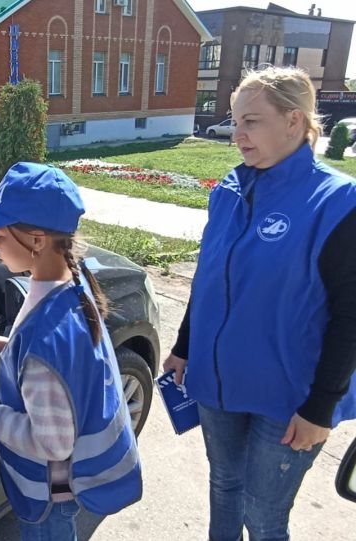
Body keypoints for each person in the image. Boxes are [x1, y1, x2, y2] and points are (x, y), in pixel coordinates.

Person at [163, 66, 356, 541]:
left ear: (294, 122)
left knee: (264, 514)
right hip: (216, 383)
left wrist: (320, 409)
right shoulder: (229, 190)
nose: (236, 135)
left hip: (289, 398)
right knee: (224, 485)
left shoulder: (337, 202)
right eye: (234, 121)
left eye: (251, 121)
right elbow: (209, 278)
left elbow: (352, 316)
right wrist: (185, 345)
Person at [0, 162, 142, 540]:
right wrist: (11, 349)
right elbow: (63, 365)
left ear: (36, 240)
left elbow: (50, 443)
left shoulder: (45, 343)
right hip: (61, 487)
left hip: (48, 500)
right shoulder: (70, 279)